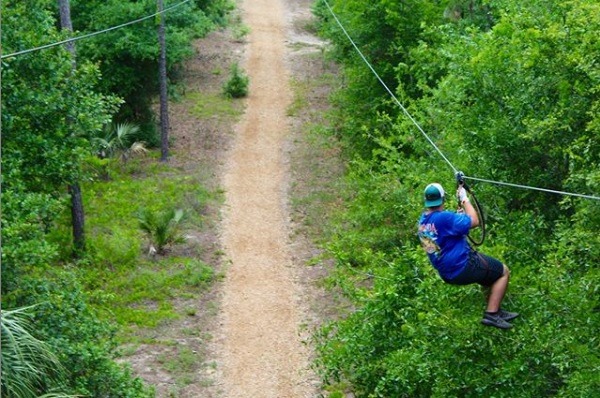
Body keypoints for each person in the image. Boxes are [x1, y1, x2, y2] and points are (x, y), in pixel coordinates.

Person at [417, 182, 518, 329]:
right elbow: (475, 221)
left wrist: (458, 219)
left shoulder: (422, 223)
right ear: (442, 199)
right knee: (503, 272)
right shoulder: (445, 218)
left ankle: (496, 309)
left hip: (446, 273)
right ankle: (492, 314)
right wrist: (464, 199)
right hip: (464, 266)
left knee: (489, 278)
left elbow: (440, 240)